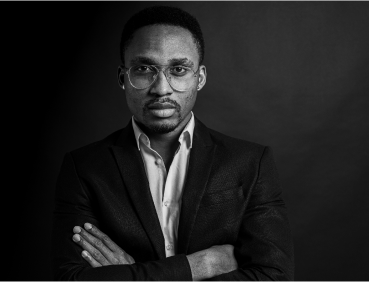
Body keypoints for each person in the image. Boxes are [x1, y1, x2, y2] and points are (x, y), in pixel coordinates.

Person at [52, 6, 294, 282]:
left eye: (178, 70)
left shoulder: (251, 162)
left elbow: (275, 277)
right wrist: (198, 266)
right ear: (123, 78)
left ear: (199, 78)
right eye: (144, 69)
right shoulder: (84, 168)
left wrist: (135, 274)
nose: (161, 88)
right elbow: (71, 279)